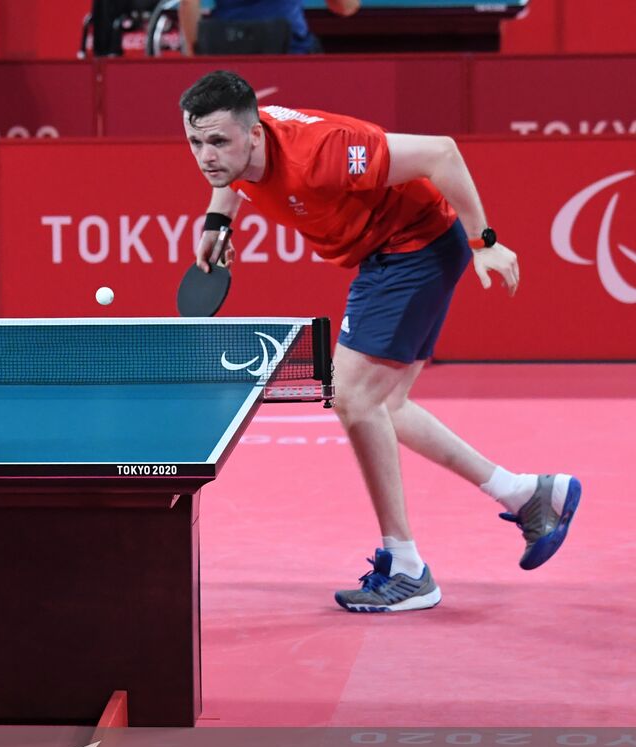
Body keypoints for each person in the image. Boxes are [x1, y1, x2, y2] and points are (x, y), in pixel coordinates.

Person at [177, 70, 580, 612]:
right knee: (386, 405)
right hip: (386, 254)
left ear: (254, 134)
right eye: (195, 141)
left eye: (217, 141)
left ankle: (408, 567)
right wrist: (217, 225)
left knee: (351, 395)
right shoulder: (237, 149)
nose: (206, 156)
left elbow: (442, 153)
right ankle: (526, 493)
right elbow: (227, 174)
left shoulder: (326, 153)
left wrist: (485, 240)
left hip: (412, 248)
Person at [178, 0, 360, 56]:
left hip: (227, 50)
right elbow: (345, 6)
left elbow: (189, 3)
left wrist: (196, 53)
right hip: (293, 52)